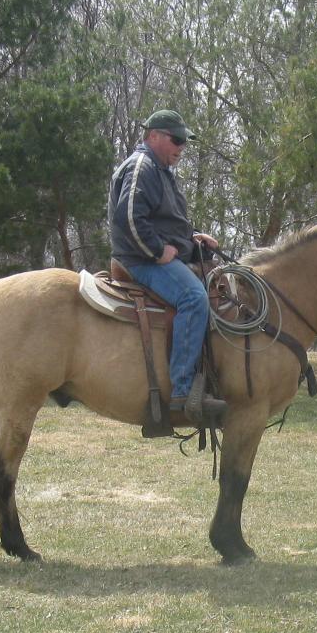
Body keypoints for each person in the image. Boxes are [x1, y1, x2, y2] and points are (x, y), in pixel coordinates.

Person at [109, 109, 227, 425]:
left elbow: (163, 221)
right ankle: (182, 391)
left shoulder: (161, 171)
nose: (181, 147)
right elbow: (129, 218)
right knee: (193, 298)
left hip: (154, 256)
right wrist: (159, 251)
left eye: (184, 142)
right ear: (154, 136)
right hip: (139, 260)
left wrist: (192, 239)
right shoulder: (141, 166)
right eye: (176, 140)